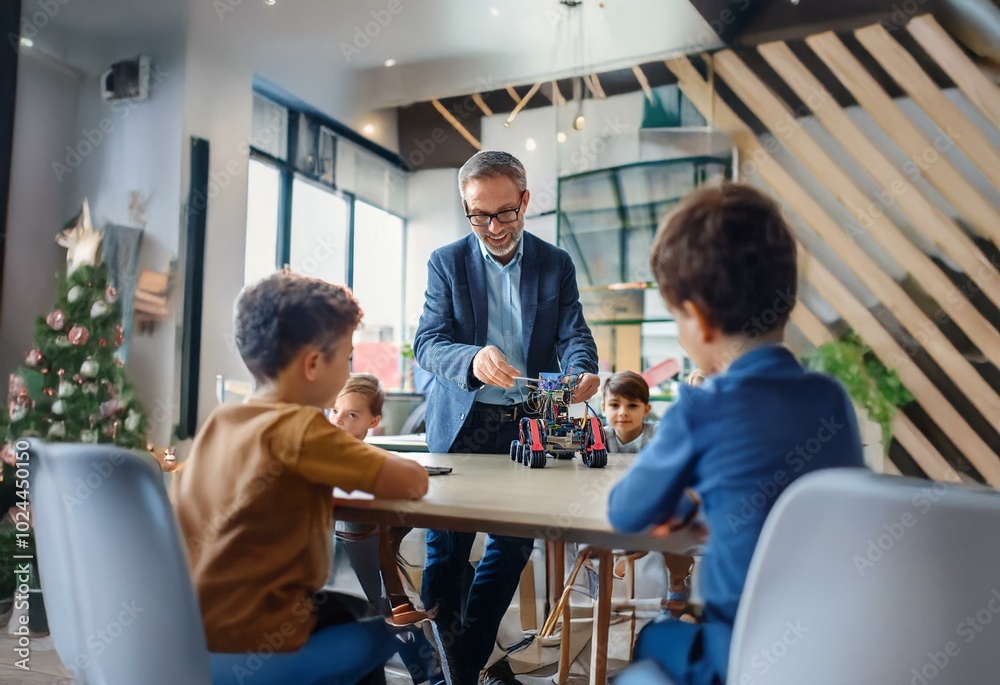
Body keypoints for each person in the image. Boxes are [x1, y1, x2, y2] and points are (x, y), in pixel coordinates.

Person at [608, 183, 864, 685]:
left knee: (653, 640)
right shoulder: (830, 398)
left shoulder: (702, 407)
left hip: (741, 648)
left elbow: (626, 512)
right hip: (832, 647)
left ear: (698, 320)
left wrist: (688, 503)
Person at [176, 271, 430, 685]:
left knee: (337, 609)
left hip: (195, 632)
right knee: (394, 630)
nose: (350, 367)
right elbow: (411, 482)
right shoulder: (303, 428)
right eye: (347, 356)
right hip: (262, 637)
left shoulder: (221, 420)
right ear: (313, 364)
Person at [413, 150, 599, 685]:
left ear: (524, 202)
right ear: (465, 207)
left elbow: (572, 335)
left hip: (526, 424)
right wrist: (470, 358)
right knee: (445, 559)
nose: (492, 227)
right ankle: (455, 673)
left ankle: (458, 673)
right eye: (478, 215)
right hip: (462, 425)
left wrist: (582, 370)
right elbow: (427, 343)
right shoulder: (446, 262)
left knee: (511, 549)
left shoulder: (554, 263)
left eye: (504, 213)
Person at [330, 373, 437, 684]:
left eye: (351, 414)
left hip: (360, 567)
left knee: (388, 600)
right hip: (336, 577)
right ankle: (428, 669)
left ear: (373, 421)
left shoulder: (365, 458)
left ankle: (429, 668)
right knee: (387, 604)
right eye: (335, 411)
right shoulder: (326, 454)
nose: (338, 421)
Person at [602, 371, 695, 617]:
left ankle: (677, 582)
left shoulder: (658, 434)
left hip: (654, 503)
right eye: (614, 405)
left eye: (632, 406)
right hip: (612, 503)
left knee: (674, 531)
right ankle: (602, 588)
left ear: (646, 409)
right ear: (603, 407)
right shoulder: (598, 436)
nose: (623, 412)